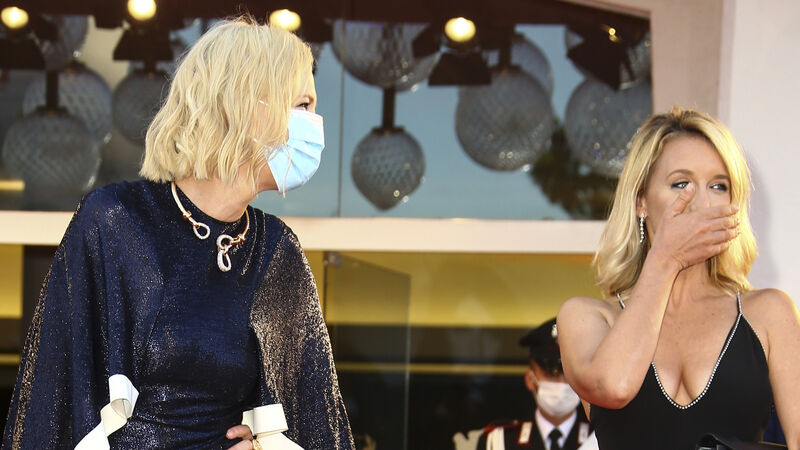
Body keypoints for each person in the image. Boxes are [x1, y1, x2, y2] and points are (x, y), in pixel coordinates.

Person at [2, 17, 354, 449]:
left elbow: (315, 424)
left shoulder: (276, 250)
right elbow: (53, 410)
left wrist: (266, 445)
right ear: (244, 104)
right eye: (302, 105)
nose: (314, 123)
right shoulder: (115, 221)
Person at [557, 107, 800, 449]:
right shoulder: (587, 317)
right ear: (641, 202)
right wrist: (665, 260)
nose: (702, 202)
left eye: (719, 186)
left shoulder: (769, 313)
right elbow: (614, 387)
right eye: (681, 184)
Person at [477, 318, 594, 450]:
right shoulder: (499, 442)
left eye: (569, 375)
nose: (561, 384)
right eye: (550, 374)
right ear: (530, 379)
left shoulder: (599, 439)